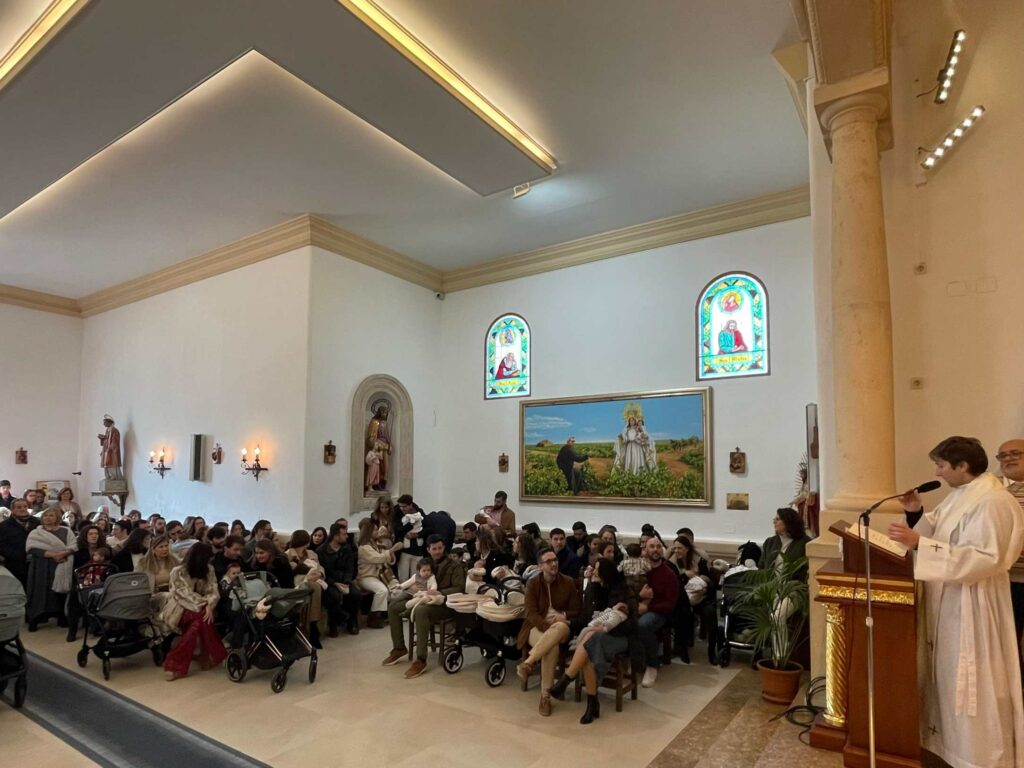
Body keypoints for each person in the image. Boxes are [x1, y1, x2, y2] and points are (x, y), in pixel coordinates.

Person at [888, 436, 1024, 768]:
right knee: (948, 675)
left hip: (974, 602)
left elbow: (987, 558)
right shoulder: (962, 495)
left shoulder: (992, 500)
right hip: (949, 599)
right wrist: (915, 514)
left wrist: (921, 544)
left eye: (941, 465)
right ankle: (948, 746)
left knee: (973, 678)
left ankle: (978, 755)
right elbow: (937, 530)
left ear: (962, 466)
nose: (937, 472)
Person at [546, 558, 639, 725]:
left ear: (605, 573)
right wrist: (593, 589)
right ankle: (591, 703)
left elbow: (631, 623)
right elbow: (586, 618)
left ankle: (567, 679)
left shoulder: (624, 590)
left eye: (597, 569)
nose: (593, 572)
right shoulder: (595, 588)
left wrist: (606, 629)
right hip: (596, 635)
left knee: (591, 640)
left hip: (622, 637)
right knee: (589, 646)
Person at [382, 534, 467, 679]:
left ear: (444, 547)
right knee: (393, 606)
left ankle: (421, 659)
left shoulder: (454, 565)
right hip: (422, 598)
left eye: (440, 548)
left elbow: (459, 588)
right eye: (434, 549)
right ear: (428, 549)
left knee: (421, 611)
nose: (437, 551)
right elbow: (414, 580)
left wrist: (439, 592)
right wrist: (413, 588)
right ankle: (399, 648)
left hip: (444, 603)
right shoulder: (425, 564)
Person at [515, 548, 582, 716]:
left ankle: (528, 663)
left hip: (562, 627)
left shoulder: (568, 582)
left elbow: (577, 610)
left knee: (560, 627)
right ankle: (545, 697)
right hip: (536, 627)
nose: (554, 564)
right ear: (540, 566)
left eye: (555, 560)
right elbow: (530, 613)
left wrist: (564, 615)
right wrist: (547, 627)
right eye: (549, 561)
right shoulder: (533, 584)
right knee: (551, 648)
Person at [160, 543, 226, 680]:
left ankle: (175, 664)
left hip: (203, 610)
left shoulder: (209, 569)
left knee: (198, 623)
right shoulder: (178, 571)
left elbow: (214, 591)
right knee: (201, 620)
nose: (209, 562)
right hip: (179, 608)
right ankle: (210, 656)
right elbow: (182, 594)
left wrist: (209, 604)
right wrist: (205, 604)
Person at [995, 438, 1024, 680]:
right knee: (1009, 642)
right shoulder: (993, 491)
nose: (1008, 459)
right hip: (1006, 579)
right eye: (1002, 456)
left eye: (1015, 454)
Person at [636, 537, 678, 688]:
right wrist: (639, 597)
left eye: (658, 547)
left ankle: (652, 666)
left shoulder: (668, 574)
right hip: (637, 606)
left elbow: (670, 604)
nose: (655, 549)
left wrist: (648, 607)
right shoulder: (639, 570)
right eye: (652, 546)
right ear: (645, 550)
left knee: (642, 625)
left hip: (660, 612)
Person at [25, 507, 76, 630]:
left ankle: (61, 616)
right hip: (41, 566)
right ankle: (35, 618)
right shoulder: (36, 532)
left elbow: (73, 545)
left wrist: (62, 554)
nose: (48, 518)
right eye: (46, 516)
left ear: (57, 518)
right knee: (39, 592)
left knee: (59, 592)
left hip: (62, 564)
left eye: (51, 515)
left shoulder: (66, 530)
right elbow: (32, 548)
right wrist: (54, 555)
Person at [317, 522, 361, 637]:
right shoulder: (321, 551)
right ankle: (333, 626)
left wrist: (347, 582)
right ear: (335, 536)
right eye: (344, 534)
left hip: (344, 580)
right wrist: (334, 583)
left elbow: (350, 568)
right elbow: (323, 572)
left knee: (355, 594)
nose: (347, 536)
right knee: (334, 596)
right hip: (329, 581)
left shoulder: (347, 549)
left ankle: (352, 622)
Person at [356, 518, 401, 628]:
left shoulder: (376, 544)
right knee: (382, 590)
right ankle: (374, 617)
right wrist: (392, 550)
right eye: (375, 530)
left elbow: (387, 559)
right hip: (366, 576)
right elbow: (377, 558)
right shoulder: (364, 547)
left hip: (380, 575)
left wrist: (390, 554)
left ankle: (389, 614)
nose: (377, 532)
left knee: (397, 591)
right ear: (368, 531)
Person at [759, 508, 812, 578]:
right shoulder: (770, 542)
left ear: (788, 522)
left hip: (793, 584)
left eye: (777, 519)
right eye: (774, 519)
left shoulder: (806, 543)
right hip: (770, 583)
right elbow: (761, 567)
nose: (774, 522)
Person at [0, 498, 38, 587]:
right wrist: (14, 555)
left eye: (25, 506)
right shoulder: (4, 526)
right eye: (19, 507)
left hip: (36, 561)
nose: (23, 509)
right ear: (12, 509)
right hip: (14, 563)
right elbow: (1, 545)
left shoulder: (37, 522)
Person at [393, 494, 426, 581]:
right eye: (400, 506)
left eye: (404, 506)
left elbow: (427, 527)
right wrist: (410, 525)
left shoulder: (420, 512)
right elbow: (397, 530)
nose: (402, 509)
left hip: (418, 549)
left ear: (410, 505)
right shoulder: (397, 513)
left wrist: (418, 534)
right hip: (404, 550)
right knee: (402, 577)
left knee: (416, 577)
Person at [365, 403, 392, 491]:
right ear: (379, 412)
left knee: (386, 466)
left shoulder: (386, 423)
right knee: (377, 466)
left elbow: (387, 436)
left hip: (385, 446)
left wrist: (389, 445)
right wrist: (376, 444)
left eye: (386, 412)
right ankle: (376, 484)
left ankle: (383, 482)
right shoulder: (374, 422)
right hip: (378, 446)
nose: (385, 414)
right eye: (383, 412)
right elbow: (371, 436)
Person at [97, 414, 123, 482]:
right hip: (106, 450)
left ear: (109, 422)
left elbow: (115, 440)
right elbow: (107, 440)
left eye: (105, 422)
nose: (104, 424)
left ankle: (114, 476)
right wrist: (103, 438)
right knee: (106, 464)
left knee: (111, 463)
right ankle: (108, 476)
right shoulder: (107, 430)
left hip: (111, 451)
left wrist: (110, 448)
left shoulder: (114, 430)